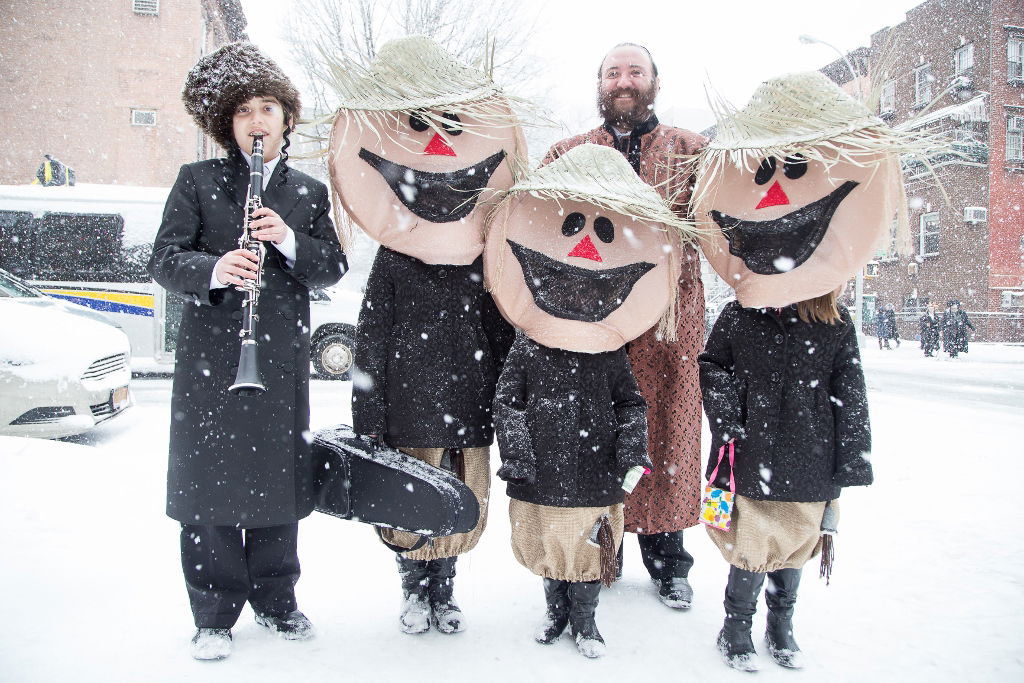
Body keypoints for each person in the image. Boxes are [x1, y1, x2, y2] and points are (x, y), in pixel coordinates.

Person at [147, 42, 347, 661]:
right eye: (242, 113)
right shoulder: (196, 182)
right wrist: (214, 268)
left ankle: (276, 601)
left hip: (278, 364)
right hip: (210, 364)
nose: (256, 122)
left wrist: (288, 240)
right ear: (225, 125)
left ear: (286, 117)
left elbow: (332, 267)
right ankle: (212, 613)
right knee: (209, 492)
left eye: (267, 108)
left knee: (276, 489)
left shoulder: (309, 194)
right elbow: (164, 261)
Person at [323, 37, 520, 635]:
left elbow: (503, 330)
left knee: (458, 504)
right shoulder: (394, 256)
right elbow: (371, 340)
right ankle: (414, 589)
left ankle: (446, 590)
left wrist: (506, 400)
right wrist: (369, 415)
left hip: (466, 404)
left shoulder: (485, 253)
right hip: (408, 408)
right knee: (411, 505)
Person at [486, 144, 701, 658]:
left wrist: (631, 455)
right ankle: (555, 611)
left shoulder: (609, 348)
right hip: (540, 469)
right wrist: (517, 454)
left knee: (586, 549)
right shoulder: (530, 341)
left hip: (595, 470)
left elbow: (631, 405)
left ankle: (585, 621)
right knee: (551, 549)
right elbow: (507, 401)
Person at [541, 42, 707, 610]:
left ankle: (668, 562)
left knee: (668, 435)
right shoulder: (569, 153)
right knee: (594, 437)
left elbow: (732, 218)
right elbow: (533, 223)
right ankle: (596, 552)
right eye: (613, 72)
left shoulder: (693, 153)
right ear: (599, 83)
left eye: (635, 71)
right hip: (592, 325)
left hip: (668, 326)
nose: (623, 80)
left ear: (655, 81)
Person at [699, 292, 873, 671]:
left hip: (810, 455)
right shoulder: (741, 310)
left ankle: (780, 626)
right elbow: (712, 365)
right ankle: (736, 626)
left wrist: (853, 460)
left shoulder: (834, 318)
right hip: (747, 451)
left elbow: (851, 389)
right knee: (750, 541)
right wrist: (728, 419)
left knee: (795, 541)